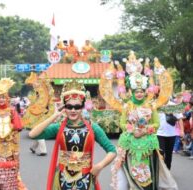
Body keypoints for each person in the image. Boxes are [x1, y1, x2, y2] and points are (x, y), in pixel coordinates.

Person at [99, 51, 178, 190]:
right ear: (132, 92)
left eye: (142, 91)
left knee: (148, 173)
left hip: (148, 143)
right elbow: (122, 124)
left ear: (145, 91)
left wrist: (144, 131)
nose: (140, 93)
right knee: (130, 173)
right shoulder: (127, 106)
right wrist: (133, 130)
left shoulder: (150, 105)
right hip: (130, 143)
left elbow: (157, 123)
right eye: (137, 91)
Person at [29, 80, 116, 190]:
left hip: (85, 179)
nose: (73, 110)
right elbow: (33, 134)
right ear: (64, 107)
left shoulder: (93, 128)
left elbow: (112, 150)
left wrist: (100, 166)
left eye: (77, 107)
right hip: (62, 179)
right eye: (69, 107)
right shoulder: (59, 127)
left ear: (82, 107)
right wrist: (54, 116)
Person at [157, 100, 184, 170]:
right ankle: (161, 171)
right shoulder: (157, 104)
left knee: (169, 154)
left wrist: (182, 130)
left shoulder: (173, 105)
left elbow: (180, 119)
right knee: (160, 153)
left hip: (171, 134)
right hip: (159, 133)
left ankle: (167, 170)